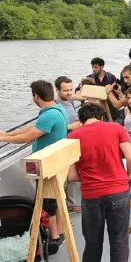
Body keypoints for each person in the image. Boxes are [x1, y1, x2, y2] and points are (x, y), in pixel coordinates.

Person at [67, 103, 131, 262]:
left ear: (80, 120)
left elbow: (72, 176)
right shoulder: (116, 128)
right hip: (118, 192)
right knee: (119, 240)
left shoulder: (73, 137)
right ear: (101, 117)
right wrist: (127, 176)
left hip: (91, 196)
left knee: (92, 241)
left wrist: (89, 179)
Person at [0, 80, 65, 251]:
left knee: (48, 202)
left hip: (47, 167)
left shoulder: (49, 115)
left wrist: (3, 139)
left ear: (36, 96)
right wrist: (8, 133)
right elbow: (33, 129)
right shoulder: (56, 109)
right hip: (55, 163)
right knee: (56, 201)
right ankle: (59, 232)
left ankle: (54, 240)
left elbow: (27, 137)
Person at [55, 75, 81, 213]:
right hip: (61, 145)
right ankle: (62, 211)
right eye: (66, 90)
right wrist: (73, 126)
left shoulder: (70, 102)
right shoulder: (56, 107)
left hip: (71, 144)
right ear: (57, 90)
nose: (69, 93)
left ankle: (70, 205)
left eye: (71, 89)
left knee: (71, 178)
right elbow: (57, 128)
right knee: (62, 180)